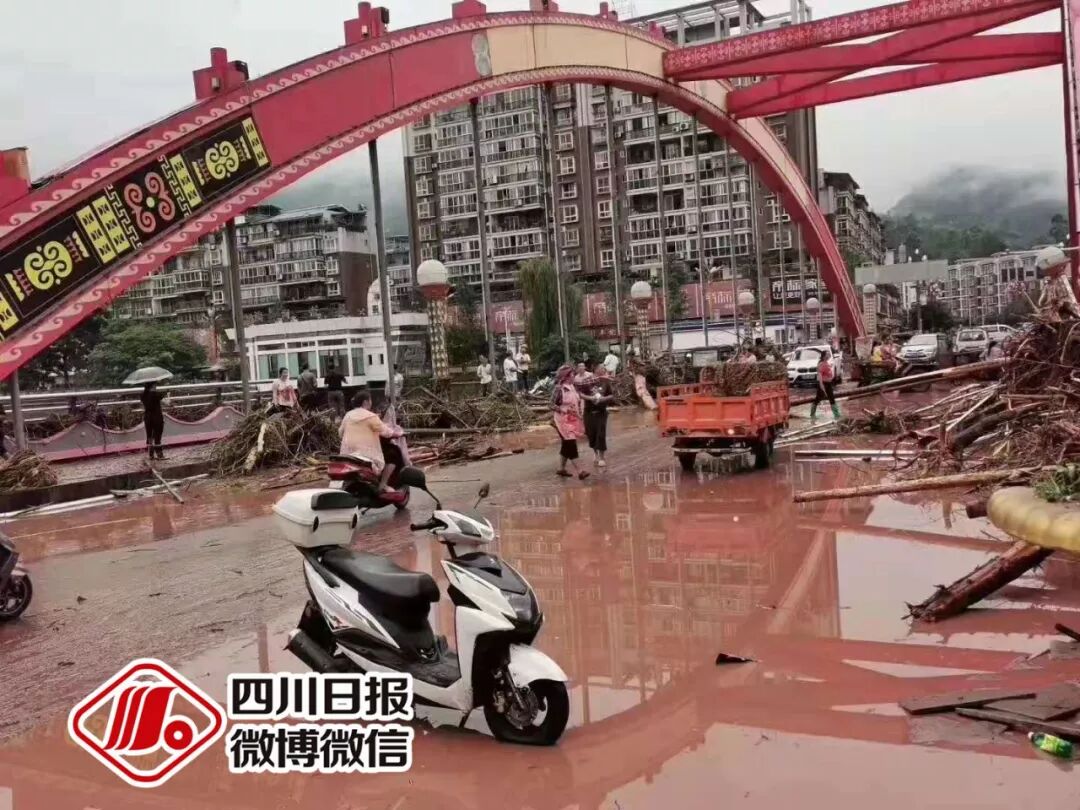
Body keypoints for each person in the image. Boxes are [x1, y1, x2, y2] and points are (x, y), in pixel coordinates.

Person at [339, 389, 405, 493]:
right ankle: (382, 485)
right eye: (370, 400)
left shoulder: (348, 415)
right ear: (366, 402)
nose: (371, 402)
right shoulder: (371, 416)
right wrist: (398, 433)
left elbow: (340, 433)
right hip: (365, 455)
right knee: (393, 455)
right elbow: (387, 432)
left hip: (347, 454)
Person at [552, 365, 589, 481]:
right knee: (571, 443)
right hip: (562, 421)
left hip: (573, 420)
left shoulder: (573, 387)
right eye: (572, 374)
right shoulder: (559, 389)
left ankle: (561, 469)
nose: (574, 376)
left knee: (566, 444)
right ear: (566, 376)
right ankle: (580, 471)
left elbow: (577, 401)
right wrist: (563, 410)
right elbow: (551, 404)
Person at [584, 364, 615, 468]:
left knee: (600, 434)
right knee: (591, 435)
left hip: (601, 412)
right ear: (596, 369)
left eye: (604, 368)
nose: (604, 370)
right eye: (602, 368)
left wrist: (604, 399)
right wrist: (591, 398)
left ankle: (602, 458)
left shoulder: (605, 381)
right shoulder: (587, 381)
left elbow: (611, 395)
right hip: (588, 412)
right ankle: (596, 454)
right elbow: (580, 394)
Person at [141, 381, 169, 461]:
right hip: (157, 418)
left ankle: (151, 455)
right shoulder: (156, 395)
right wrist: (167, 391)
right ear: (152, 386)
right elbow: (166, 400)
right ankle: (160, 455)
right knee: (157, 436)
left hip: (147, 418)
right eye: (155, 385)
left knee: (149, 436)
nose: (156, 386)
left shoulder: (143, 395)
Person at [811, 349, 841, 423]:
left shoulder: (826, 363)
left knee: (832, 398)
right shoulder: (821, 364)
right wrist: (822, 386)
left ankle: (837, 415)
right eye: (827, 354)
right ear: (824, 356)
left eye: (829, 354)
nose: (829, 355)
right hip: (823, 384)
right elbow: (820, 377)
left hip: (828, 384)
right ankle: (812, 414)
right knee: (818, 398)